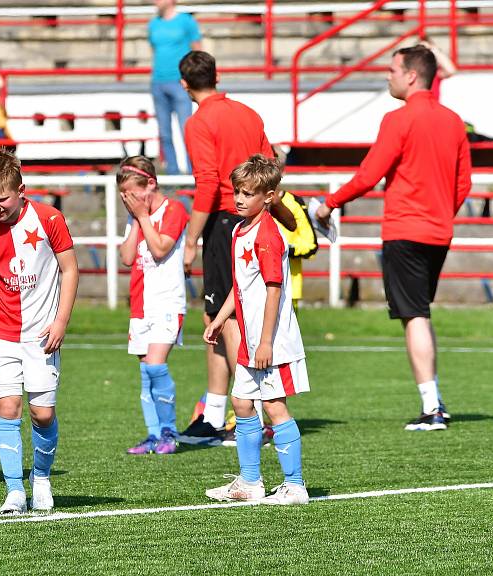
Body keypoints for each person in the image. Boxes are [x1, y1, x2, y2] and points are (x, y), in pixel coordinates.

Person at [316, 45, 472, 431]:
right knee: (419, 312)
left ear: (412, 75)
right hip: (437, 230)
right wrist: (439, 214)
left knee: (413, 315)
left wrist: (327, 205)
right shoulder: (454, 121)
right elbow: (464, 183)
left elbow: (369, 175)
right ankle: (435, 400)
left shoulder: (397, 119)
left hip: (405, 230)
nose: (388, 76)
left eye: (392, 69)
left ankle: (432, 408)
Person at [178, 50, 295, 444]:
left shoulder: (199, 121)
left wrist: (191, 239)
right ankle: (213, 415)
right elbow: (272, 164)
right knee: (217, 314)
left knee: (228, 316)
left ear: (184, 84)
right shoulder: (247, 113)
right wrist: (282, 213)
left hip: (226, 220)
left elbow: (209, 183)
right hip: (252, 217)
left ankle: (245, 413)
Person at [0, 149, 78, 514]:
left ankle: (41, 478)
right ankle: (14, 491)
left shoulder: (49, 219)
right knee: (8, 407)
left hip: (41, 333)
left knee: (42, 414)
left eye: (2, 198)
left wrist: (61, 321)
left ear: (21, 190)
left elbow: (70, 270)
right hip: (0, 333)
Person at [204, 154, 310, 505]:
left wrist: (265, 342)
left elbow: (273, 289)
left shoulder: (267, 234)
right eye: (237, 191)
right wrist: (220, 319)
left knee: (275, 407)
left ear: (268, 196)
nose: (239, 198)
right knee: (241, 401)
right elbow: (241, 285)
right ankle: (250, 482)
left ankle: (295, 486)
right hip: (250, 340)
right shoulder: (238, 230)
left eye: (248, 193)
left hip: (272, 340)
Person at [117, 156, 189, 456]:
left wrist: (143, 216)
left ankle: (169, 432)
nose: (128, 200)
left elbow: (160, 249)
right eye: (124, 196)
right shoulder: (137, 216)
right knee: (146, 370)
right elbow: (127, 257)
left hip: (167, 301)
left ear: (152, 184)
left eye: (133, 194)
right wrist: (136, 218)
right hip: (141, 305)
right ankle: (153, 434)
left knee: (156, 365)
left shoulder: (174, 209)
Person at [148, 0, 202, 174]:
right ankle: (173, 175)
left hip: (181, 82)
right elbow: (154, 50)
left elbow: (197, 50)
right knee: (164, 133)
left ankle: (193, 174)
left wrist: (194, 78)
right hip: (158, 82)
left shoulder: (186, 21)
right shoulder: (153, 24)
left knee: (187, 131)